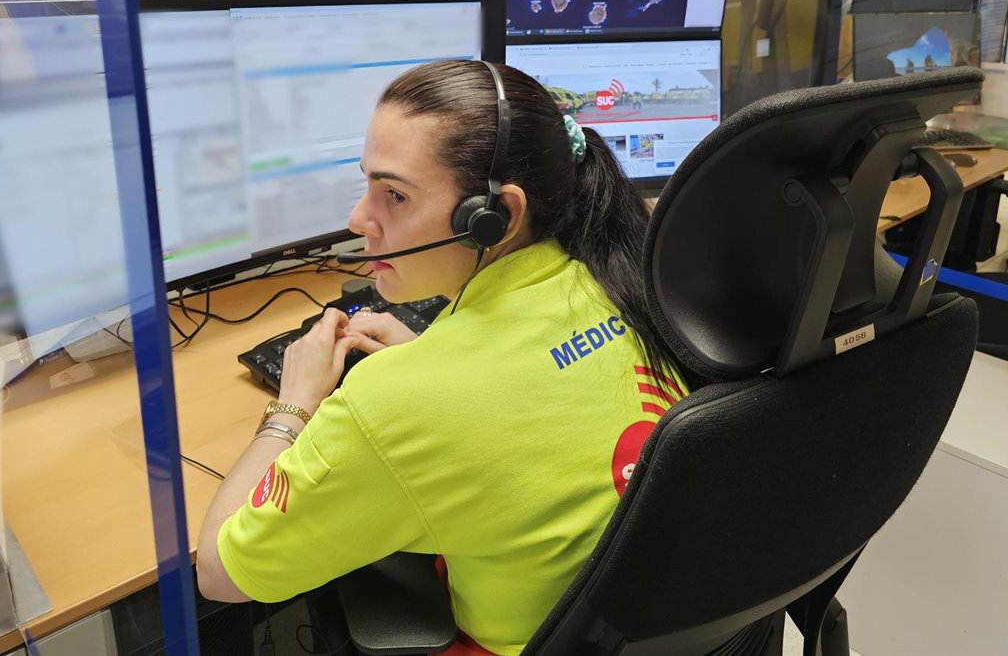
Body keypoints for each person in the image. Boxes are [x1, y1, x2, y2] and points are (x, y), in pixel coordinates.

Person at [196, 60, 692, 655]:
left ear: (495, 218)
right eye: (367, 185)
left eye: (395, 195)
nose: (358, 220)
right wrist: (432, 360)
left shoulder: (391, 405)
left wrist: (294, 404)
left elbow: (219, 574)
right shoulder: (620, 280)